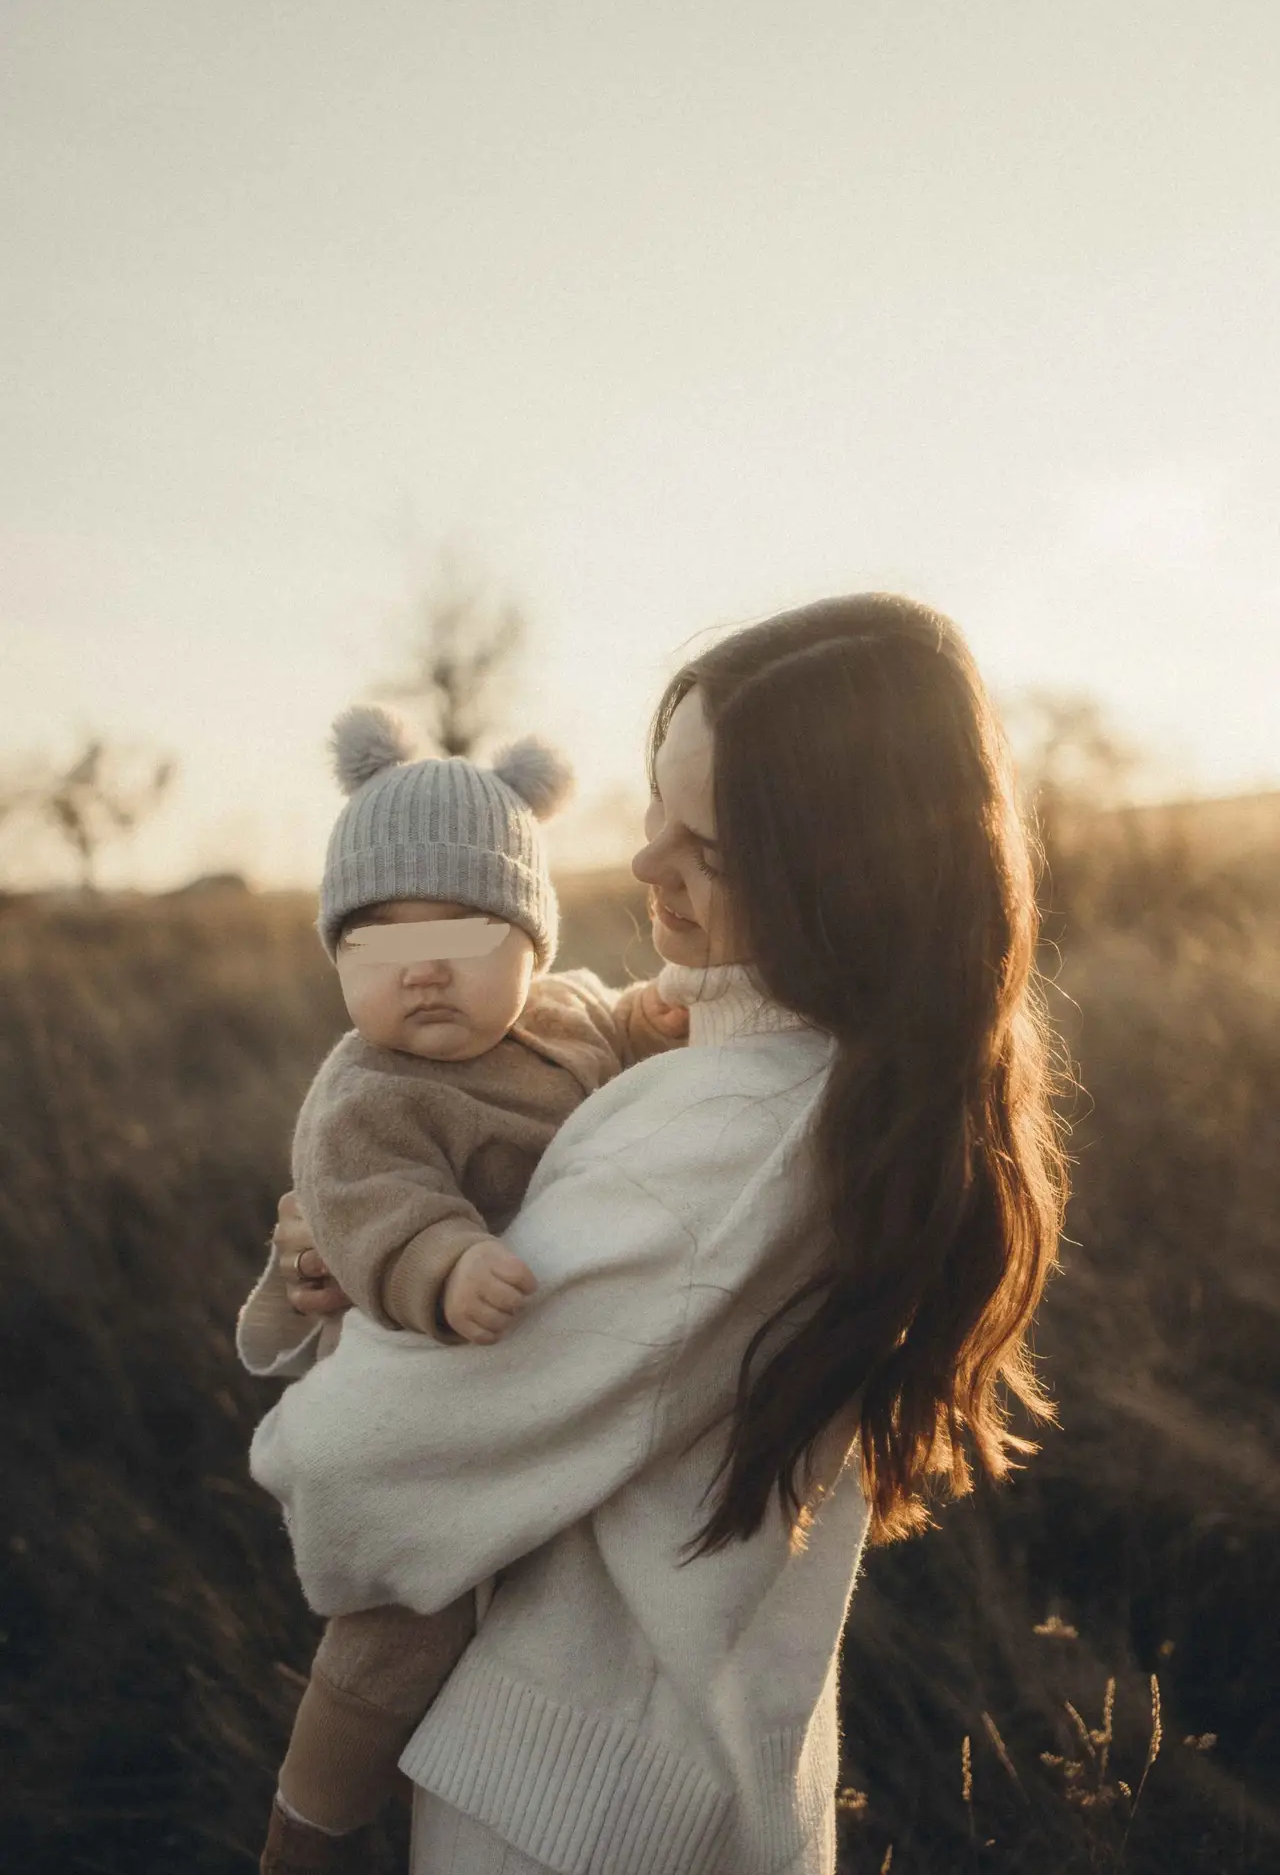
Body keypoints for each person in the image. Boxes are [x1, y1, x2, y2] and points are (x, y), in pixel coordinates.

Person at [253, 593, 1071, 1875]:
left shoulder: (715, 1156)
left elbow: (354, 1469)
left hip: (568, 1811)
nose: (643, 867)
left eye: (709, 847)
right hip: (685, 1770)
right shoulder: (822, 1077)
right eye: (653, 808)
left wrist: (357, 1317)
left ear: (835, 871)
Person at [238, 704, 688, 1872]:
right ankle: (310, 1823)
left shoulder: (567, 1011)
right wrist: (443, 1263)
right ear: (337, 957)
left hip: (548, 1381)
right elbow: (374, 1205)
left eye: (462, 935)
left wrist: (657, 1018)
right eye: (376, 947)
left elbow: (624, 1035)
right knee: (399, 1627)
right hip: (422, 1375)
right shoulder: (365, 1092)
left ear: (531, 943)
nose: (422, 971)